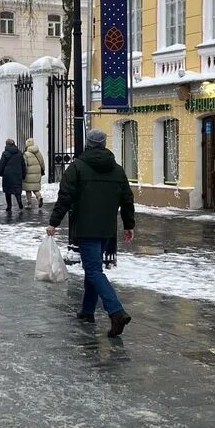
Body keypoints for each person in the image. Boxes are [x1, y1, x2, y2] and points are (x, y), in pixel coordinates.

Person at [47, 128, 136, 337]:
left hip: (86, 228)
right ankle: (87, 311)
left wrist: (53, 222)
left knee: (94, 270)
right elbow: (127, 199)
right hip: (107, 229)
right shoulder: (117, 170)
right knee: (93, 268)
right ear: (104, 144)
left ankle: (116, 311)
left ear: (88, 143)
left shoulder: (77, 167)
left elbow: (65, 197)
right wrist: (129, 225)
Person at [0, 138, 24, 214]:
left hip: (8, 175)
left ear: (7, 145)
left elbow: (1, 165)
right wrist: (23, 174)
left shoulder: (5, 153)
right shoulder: (19, 153)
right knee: (17, 190)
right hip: (18, 174)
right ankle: (19, 201)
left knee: (8, 191)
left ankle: (9, 206)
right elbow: (23, 165)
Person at [22, 137, 46, 210]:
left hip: (29, 174)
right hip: (37, 172)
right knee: (35, 188)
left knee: (28, 189)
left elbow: (24, 165)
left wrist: (23, 173)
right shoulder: (38, 153)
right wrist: (42, 171)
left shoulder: (26, 154)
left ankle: (29, 204)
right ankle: (39, 197)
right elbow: (42, 163)